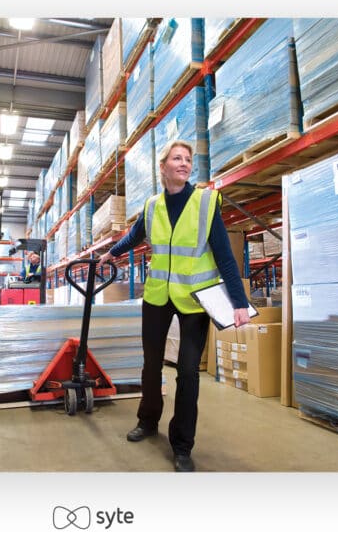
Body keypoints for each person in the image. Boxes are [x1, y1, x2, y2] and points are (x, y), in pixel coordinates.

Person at [97, 140, 249, 472]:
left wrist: (239, 303)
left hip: (194, 300)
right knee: (151, 365)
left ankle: (182, 445)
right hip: (157, 297)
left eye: (187, 159)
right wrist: (113, 253)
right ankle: (148, 421)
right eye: (176, 158)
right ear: (163, 166)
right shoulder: (153, 206)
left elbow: (224, 255)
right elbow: (135, 235)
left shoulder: (205, 202)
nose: (183, 163)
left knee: (188, 373)